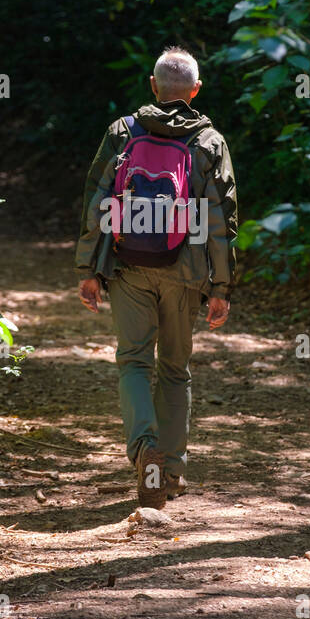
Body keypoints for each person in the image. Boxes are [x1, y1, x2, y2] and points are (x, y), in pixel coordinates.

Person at [74, 46, 238, 509]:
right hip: (184, 273)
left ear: (153, 85)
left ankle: (144, 448)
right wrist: (220, 286)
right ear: (196, 90)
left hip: (128, 266)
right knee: (175, 370)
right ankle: (171, 470)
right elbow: (220, 221)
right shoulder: (209, 143)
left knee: (133, 362)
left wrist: (90, 269)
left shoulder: (122, 133)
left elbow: (97, 202)